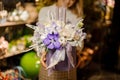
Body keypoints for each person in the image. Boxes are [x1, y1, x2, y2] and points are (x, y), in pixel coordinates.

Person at [38, 0, 84, 80]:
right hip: (49, 65)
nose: (69, 1)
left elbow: (79, 39)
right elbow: (38, 37)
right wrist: (42, 53)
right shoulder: (45, 11)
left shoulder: (76, 15)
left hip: (69, 65)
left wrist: (77, 52)